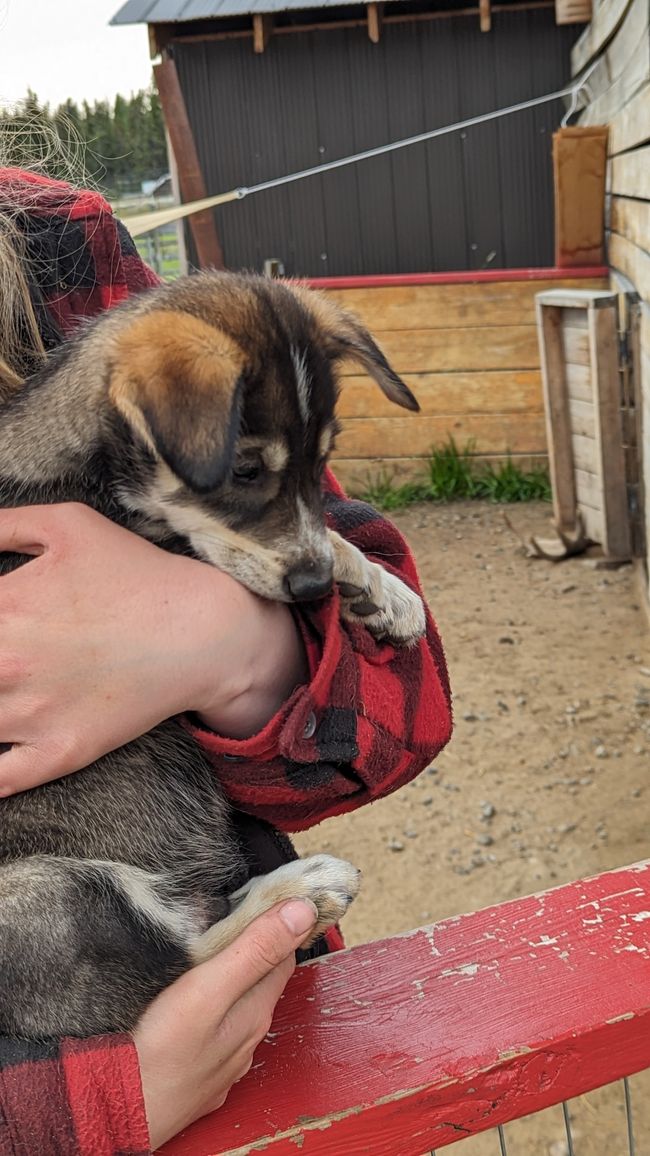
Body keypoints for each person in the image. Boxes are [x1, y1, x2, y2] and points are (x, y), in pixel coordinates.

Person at [0, 166, 453, 1154]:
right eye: (244, 475)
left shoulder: (57, 243)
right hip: (92, 1008)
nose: (295, 548)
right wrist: (78, 1111)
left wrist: (228, 644)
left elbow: (402, 702)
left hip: (248, 1027)